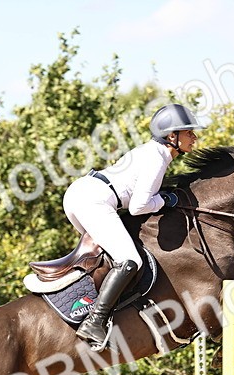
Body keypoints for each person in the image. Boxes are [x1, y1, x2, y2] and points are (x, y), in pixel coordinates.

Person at [62, 103, 205, 349]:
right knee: (130, 260)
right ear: (172, 136)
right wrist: (165, 200)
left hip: (81, 195)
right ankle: (94, 322)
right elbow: (139, 206)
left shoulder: (152, 152)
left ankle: (91, 304)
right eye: (188, 132)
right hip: (93, 200)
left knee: (110, 256)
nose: (194, 137)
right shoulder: (157, 157)